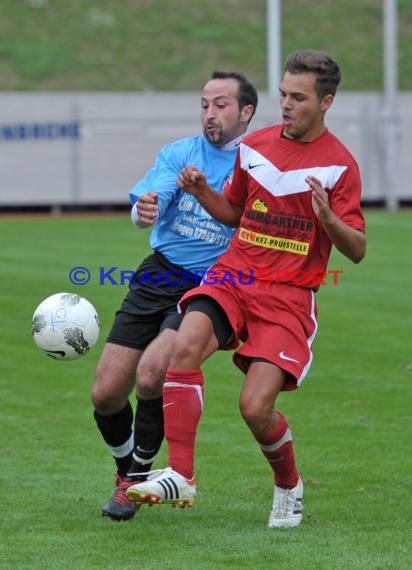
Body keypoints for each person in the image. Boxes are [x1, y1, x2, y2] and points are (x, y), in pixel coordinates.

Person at [126, 49, 367, 528]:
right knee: (185, 343)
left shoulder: (340, 166)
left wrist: (328, 221)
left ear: (326, 102)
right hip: (234, 277)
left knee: (255, 408)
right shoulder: (254, 146)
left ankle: (288, 486)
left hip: (289, 296)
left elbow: (357, 248)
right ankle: (182, 474)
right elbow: (235, 212)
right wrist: (200, 193)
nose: (287, 105)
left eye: (298, 97)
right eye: (283, 95)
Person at [91, 71, 258, 521]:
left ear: (246, 112)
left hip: (212, 284)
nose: (210, 113)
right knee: (106, 393)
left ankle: (133, 481)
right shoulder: (179, 152)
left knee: (151, 375)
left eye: (221, 105)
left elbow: (244, 223)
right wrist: (142, 211)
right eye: (204, 104)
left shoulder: (256, 163)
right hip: (158, 274)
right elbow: (151, 202)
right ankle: (129, 469)